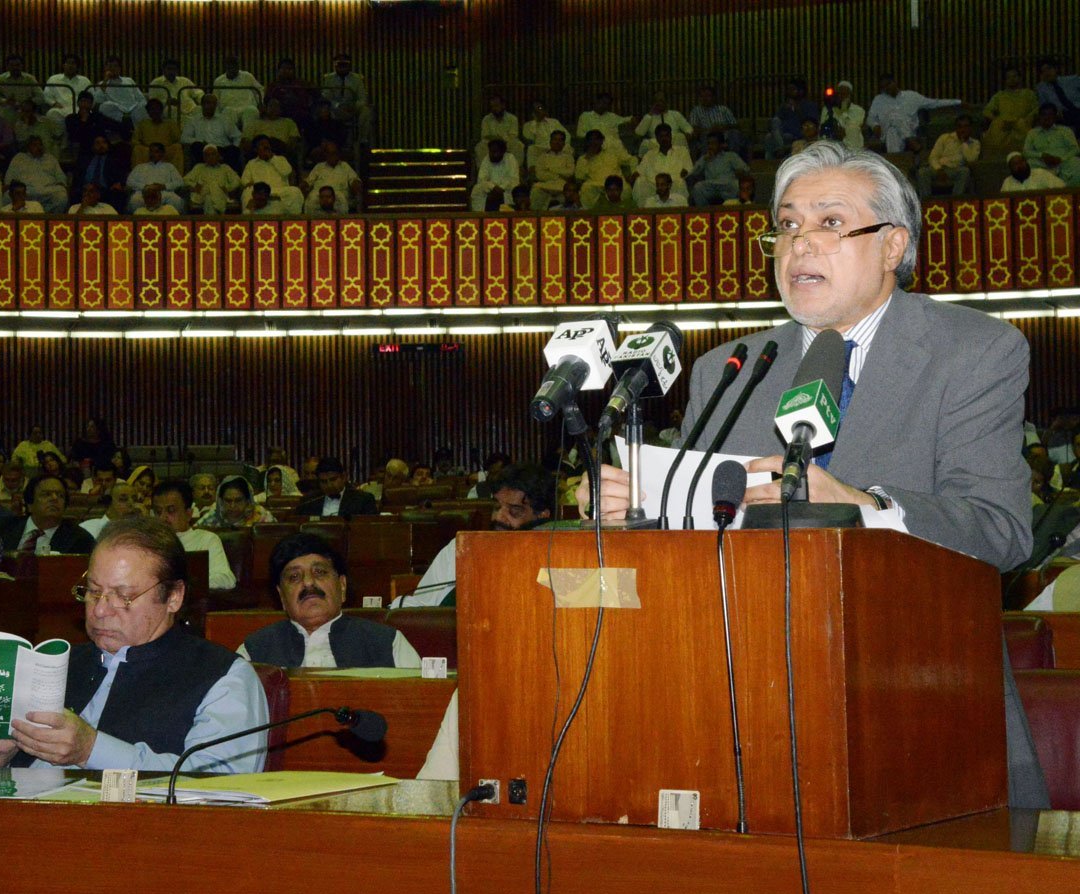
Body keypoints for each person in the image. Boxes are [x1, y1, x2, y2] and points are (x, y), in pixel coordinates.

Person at [577, 141, 1045, 807]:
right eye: (788, 225)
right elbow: (690, 549)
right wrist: (637, 513)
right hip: (747, 711)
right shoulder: (730, 368)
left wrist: (861, 505)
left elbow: (1001, 534)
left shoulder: (973, 352)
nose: (800, 245)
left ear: (892, 246)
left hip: (920, 703)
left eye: (830, 223)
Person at [0, 517, 268, 772]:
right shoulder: (49, 665)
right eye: (93, 591)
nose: (99, 610)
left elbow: (216, 787)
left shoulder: (223, 678)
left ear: (173, 597)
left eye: (123, 596)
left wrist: (91, 750)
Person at [239, 533, 421, 668]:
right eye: (294, 577)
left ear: (342, 586)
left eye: (319, 572)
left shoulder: (388, 643)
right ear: (281, 597)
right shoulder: (253, 651)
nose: (308, 582)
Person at [395, 463, 554, 609]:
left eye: (514, 511)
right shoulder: (460, 549)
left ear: (542, 516)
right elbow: (421, 607)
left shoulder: (558, 556)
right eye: (497, 507)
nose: (499, 517)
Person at [152, 479, 236, 590]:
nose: (163, 517)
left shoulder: (206, 539)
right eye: (158, 512)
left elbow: (226, 579)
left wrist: (183, 586)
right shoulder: (148, 541)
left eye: (171, 510)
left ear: (188, 514)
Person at [0, 474, 96, 555]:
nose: (54, 498)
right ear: (30, 504)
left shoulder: (80, 539)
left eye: (60, 495)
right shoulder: (4, 529)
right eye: (46, 494)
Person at [866, 74, 960, 153]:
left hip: (909, 131)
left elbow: (934, 103)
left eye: (888, 84)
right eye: (883, 87)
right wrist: (875, 125)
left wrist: (959, 102)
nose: (886, 88)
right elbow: (870, 118)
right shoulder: (878, 100)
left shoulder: (911, 96)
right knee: (892, 125)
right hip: (886, 133)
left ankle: (896, 162)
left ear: (895, 82)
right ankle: (910, 141)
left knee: (893, 130)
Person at [982, 67, 1040, 160]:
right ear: (1005, 80)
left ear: (1020, 78)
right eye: (1008, 77)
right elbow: (987, 111)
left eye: (1014, 76)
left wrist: (1024, 121)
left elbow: (1036, 109)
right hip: (1002, 127)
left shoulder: (1029, 94)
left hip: (1022, 127)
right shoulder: (999, 95)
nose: (1012, 79)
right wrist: (999, 121)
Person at [916, 114, 980, 198]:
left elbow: (971, 159)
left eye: (965, 126)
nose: (962, 129)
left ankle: (955, 201)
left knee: (965, 171)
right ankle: (926, 202)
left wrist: (964, 142)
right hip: (939, 167)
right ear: (956, 128)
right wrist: (939, 169)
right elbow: (933, 157)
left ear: (970, 128)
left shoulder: (975, 143)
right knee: (922, 172)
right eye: (959, 126)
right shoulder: (945, 138)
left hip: (956, 169)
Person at [293, 457, 378, 519]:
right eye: (324, 482)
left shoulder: (363, 500)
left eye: (333, 479)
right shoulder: (308, 501)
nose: (329, 485)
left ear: (344, 477)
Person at [320, 52, 373, 147]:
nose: (342, 67)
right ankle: (327, 141)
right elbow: (326, 96)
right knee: (323, 110)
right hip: (334, 109)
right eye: (339, 64)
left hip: (351, 108)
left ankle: (362, 140)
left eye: (344, 64)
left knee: (366, 111)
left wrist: (353, 106)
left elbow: (362, 98)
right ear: (335, 65)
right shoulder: (329, 78)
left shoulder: (357, 79)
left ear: (349, 65)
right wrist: (337, 106)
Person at [633, 123, 692, 206]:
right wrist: (633, 176)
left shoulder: (682, 151)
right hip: (654, 186)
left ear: (671, 136)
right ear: (657, 138)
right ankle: (643, 215)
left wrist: (683, 173)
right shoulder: (649, 154)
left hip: (673, 185)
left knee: (681, 182)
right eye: (661, 136)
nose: (664, 138)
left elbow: (689, 169)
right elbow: (639, 172)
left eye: (667, 135)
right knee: (639, 182)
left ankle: (681, 214)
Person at [4, 137, 69, 212]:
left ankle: (45, 215)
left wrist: (61, 185)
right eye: (35, 145)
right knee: (7, 196)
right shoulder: (19, 158)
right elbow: (9, 179)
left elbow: (61, 178)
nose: (38, 147)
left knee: (62, 196)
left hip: (47, 190)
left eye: (40, 145)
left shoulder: (50, 158)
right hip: (26, 190)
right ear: (29, 146)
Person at [1023, 103, 1080, 186]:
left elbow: (1075, 149)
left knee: (1076, 162)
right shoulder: (1032, 133)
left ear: (1055, 117)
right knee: (1030, 163)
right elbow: (1026, 152)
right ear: (1039, 117)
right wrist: (1042, 155)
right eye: (1044, 114)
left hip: (1063, 162)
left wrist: (1061, 159)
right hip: (1043, 164)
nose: (1047, 117)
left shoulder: (1065, 130)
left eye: (1050, 114)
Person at [182, 94, 241, 171]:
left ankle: (226, 172)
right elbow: (184, 138)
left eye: (214, 103)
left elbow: (237, 136)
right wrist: (200, 141)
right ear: (202, 104)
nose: (211, 106)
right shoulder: (194, 120)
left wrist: (235, 146)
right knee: (196, 146)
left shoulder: (224, 119)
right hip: (204, 148)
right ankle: (203, 170)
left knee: (233, 149)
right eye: (208, 103)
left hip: (221, 150)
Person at [689, 131, 750, 206]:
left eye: (713, 143)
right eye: (709, 143)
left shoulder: (730, 156)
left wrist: (741, 172)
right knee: (697, 188)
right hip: (710, 186)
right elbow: (693, 173)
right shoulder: (705, 158)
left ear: (721, 145)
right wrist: (704, 160)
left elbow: (746, 170)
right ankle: (704, 212)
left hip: (727, 185)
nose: (710, 146)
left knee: (737, 185)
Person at [239, 135, 301, 209]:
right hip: (261, 192)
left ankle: (291, 219)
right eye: (262, 145)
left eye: (267, 144)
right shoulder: (251, 163)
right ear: (256, 149)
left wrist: (272, 158)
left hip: (280, 190)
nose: (266, 146)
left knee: (295, 192)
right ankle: (250, 219)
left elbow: (287, 171)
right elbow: (244, 180)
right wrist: (248, 184)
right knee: (247, 192)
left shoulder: (280, 159)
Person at [764, 78, 820, 159]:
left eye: (793, 89)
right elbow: (775, 124)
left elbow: (811, 124)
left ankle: (779, 150)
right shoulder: (785, 106)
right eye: (789, 89)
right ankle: (775, 155)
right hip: (783, 135)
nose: (789, 92)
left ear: (801, 91)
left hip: (797, 135)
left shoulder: (809, 105)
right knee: (769, 135)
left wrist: (797, 110)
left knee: (770, 138)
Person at [574, 129, 629, 208]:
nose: (594, 142)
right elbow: (579, 178)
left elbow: (630, 160)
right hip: (595, 184)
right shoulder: (582, 159)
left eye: (596, 139)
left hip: (615, 182)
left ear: (602, 141)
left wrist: (632, 173)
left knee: (626, 189)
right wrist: (588, 158)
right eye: (591, 140)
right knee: (586, 188)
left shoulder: (612, 154)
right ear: (587, 142)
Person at [301, 140, 360, 213]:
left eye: (334, 153)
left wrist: (355, 184)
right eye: (329, 153)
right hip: (319, 195)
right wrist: (303, 185)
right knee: (312, 199)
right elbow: (308, 181)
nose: (332, 156)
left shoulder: (345, 166)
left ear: (338, 154)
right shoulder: (319, 167)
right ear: (325, 154)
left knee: (341, 198)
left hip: (338, 196)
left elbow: (354, 180)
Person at [196, 475, 276, 528]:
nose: (232, 506)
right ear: (221, 501)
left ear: (248, 500)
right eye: (228, 500)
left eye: (238, 500)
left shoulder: (261, 515)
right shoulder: (212, 517)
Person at [127, 141, 184, 212]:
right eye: (151, 151)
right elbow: (129, 181)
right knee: (134, 200)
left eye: (156, 152)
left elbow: (180, 182)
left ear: (162, 154)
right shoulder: (140, 167)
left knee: (176, 201)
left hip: (164, 193)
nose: (152, 154)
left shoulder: (169, 167)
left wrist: (163, 186)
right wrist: (145, 187)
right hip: (143, 193)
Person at [130, 97, 184, 173]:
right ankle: (138, 175)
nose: (154, 111)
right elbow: (135, 140)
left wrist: (163, 149)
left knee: (177, 147)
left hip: (165, 151)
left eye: (157, 109)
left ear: (161, 110)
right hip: (148, 151)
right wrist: (148, 149)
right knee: (137, 149)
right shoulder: (143, 123)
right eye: (152, 109)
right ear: (148, 112)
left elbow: (178, 139)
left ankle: (176, 176)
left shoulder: (170, 123)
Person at [184, 144, 241, 215]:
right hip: (202, 195)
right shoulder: (199, 167)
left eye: (213, 154)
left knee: (209, 198)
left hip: (221, 194)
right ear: (204, 158)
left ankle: (211, 221)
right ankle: (218, 214)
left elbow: (237, 180)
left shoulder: (225, 168)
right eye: (207, 155)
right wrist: (195, 186)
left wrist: (228, 188)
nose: (211, 157)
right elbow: (185, 180)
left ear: (218, 156)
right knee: (209, 192)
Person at [634, 91, 693, 157]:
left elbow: (689, 129)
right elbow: (639, 133)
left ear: (666, 102)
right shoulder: (649, 117)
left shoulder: (675, 114)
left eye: (662, 100)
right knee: (645, 143)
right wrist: (650, 115)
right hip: (656, 146)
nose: (660, 103)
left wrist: (687, 135)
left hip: (675, 145)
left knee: (680, 137)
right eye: (657, 101)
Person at [93, 56, 147, 127]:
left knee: (142, 107)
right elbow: (97, 100)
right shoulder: (102, 84)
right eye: (109, 66)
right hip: (116, 111)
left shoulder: (128, 80)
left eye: (115, 66)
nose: (112, 69)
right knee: (104, 107)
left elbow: (141, 98)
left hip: (133, 109)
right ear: (106, 68)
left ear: (119, 68)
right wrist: (105, 81)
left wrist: (139, 106)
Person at [528, 129, 575, 210]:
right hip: (545, 186)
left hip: (562, 186)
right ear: (550, 142)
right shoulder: (542, 157)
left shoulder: (568, 157)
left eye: (560, 140)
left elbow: (570, 173)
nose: (557, 142)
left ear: (564, 143)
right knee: (535, 191)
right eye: (555, 139)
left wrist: (550, 169)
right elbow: (540, 175)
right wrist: (558, 175)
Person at [213, 55, 264, 128]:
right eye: (230, 67)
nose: (232, 69)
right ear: (226, 67)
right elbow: (216, 101)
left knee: (252, 110)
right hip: (229, 110)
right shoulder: (219, 81)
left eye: (235, 66)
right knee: (227, 112)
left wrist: (260, 103)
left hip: (247, 107)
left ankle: (247, 138)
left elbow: (259, 90)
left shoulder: (247, 76)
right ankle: (232, 138)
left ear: (238, 67)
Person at [0, 54, 44, 124]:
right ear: (7, 66)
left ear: (22, 65)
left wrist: (29, 103)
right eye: (12, 65)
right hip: (8, 108)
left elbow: (40, 96)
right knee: (3, 112)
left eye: (17, 65)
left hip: (27, 109)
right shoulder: (0, 79)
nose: (15, 68)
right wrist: (5, 101)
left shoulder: (30, 79)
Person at [475, 94, 523, 168]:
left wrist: (501, 138)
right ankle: (482, 171)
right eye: (492, 106)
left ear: (503, 105)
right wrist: (497, 138)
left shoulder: (512, 118)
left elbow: (513, 135)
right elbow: (485, 135)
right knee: (480, 147)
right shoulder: (486, 119)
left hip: (508, 143)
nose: (494, 108)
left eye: (496, 106)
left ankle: (517, 169)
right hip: (491, 143)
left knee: (518, 145)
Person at [1035, 58, 1080, 135]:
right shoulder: (1041, 88)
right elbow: (1043, 107)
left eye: (1049, 68)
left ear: (1055, 69)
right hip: (1061, 115)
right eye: (1043, 71)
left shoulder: (1072, 80)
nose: (1047, 73)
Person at [44, 54, 92, 125]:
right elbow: (46, 95)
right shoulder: (53, 79)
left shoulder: (85, 80)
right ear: (63, 65)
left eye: (73, 63)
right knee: (51, 113)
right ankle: (61, 135)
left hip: (79, 109)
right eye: (68, 63)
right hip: (61, 110)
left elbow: (92, 97)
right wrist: (53, 103)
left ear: (77, 67)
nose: (70, 66)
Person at [522, 100, 569, 171]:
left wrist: (559, 144)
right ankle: (532, 173)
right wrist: (536, 123)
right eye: (535, 109)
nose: (537, 111)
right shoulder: (528, 125)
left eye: (540, 108)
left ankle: (564, 171)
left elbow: (567, 135)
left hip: (557, 146)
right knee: (531, 149)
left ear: (545, 110)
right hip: (541, 148)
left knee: (568, 147)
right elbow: (529, 140)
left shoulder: (554, 122)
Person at [819, 80, 866, 150]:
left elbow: (857, 126)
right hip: (832, 146)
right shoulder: (827, 109)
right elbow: (823, 126)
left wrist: (844, 109)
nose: (842, 96)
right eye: (840, 94)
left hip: (853, 147)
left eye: (845, 94)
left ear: (850, 95)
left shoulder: (859, 110)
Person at [1001, 150, 1066, 193]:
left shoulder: (1040, 174)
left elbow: (1062, 187)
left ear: (1026, 162)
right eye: (1015, 164)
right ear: (1010, 168)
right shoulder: (1007, 182)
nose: (1020, 165)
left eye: (1021, 162)